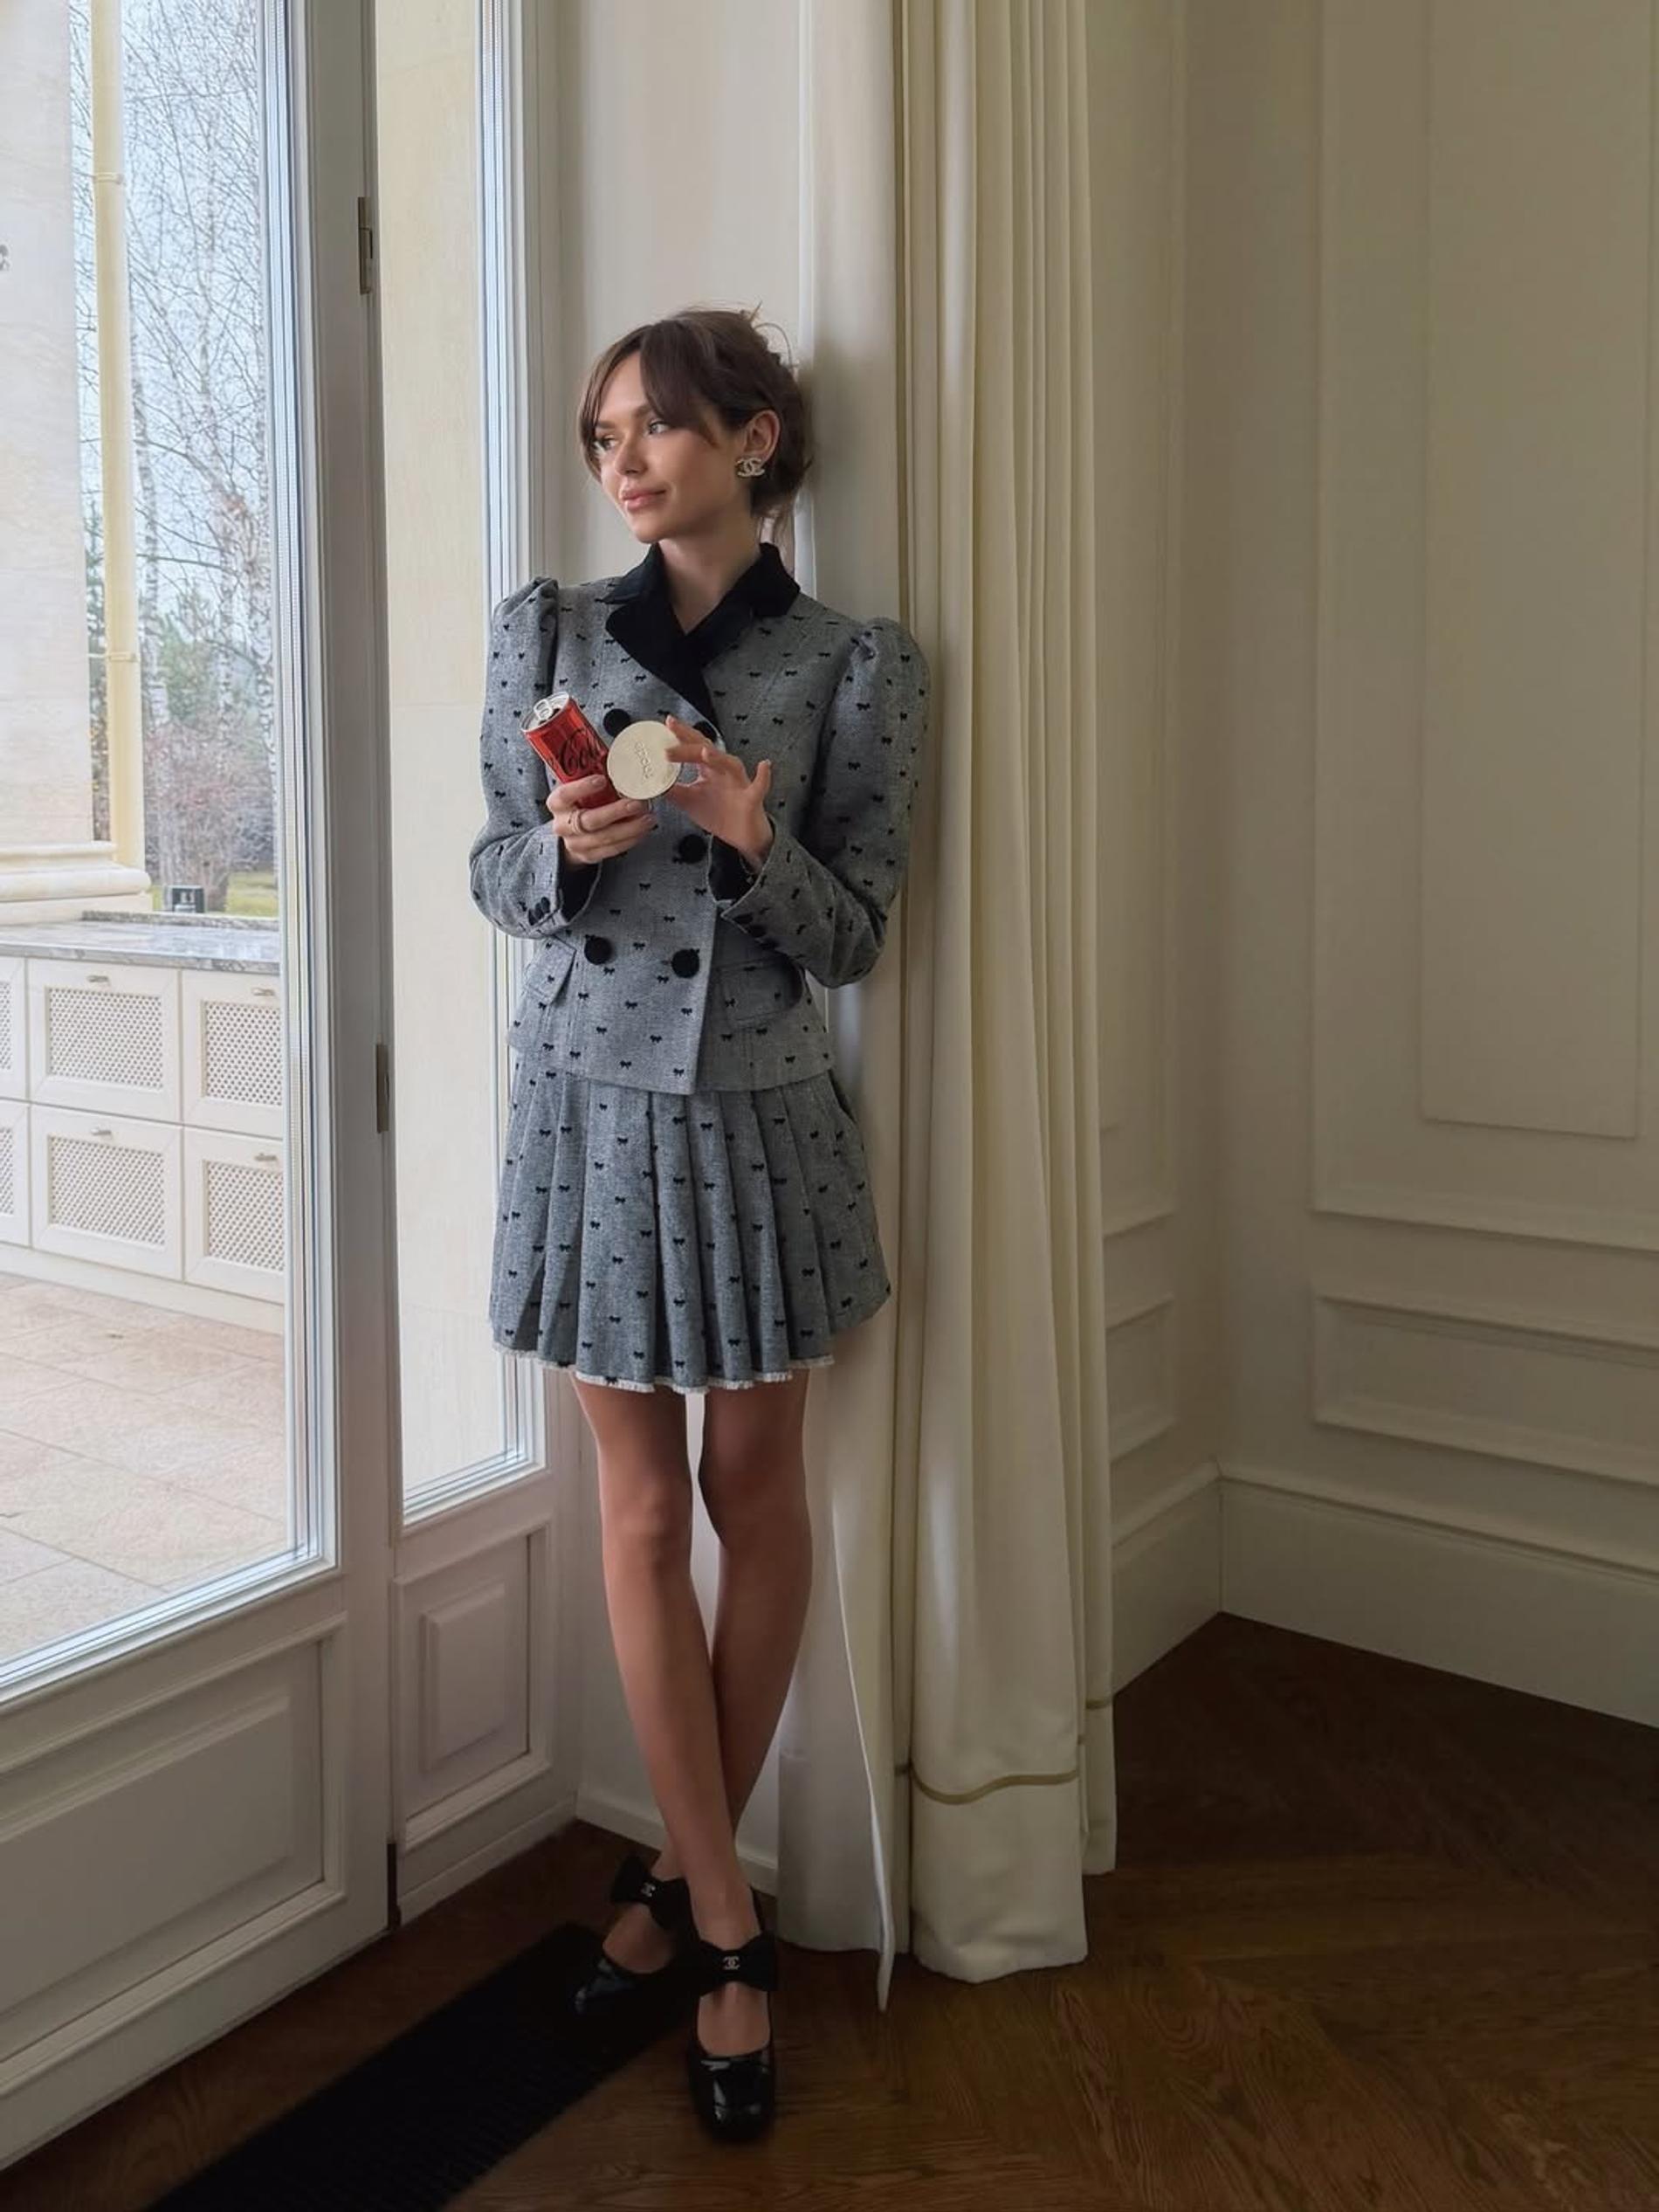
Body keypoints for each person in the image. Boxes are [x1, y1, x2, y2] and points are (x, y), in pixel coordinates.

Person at [467, 306, 929, 2142]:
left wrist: (751, 839)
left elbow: (858, 936)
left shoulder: (856, 664)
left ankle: (672, 1880)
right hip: (584, 1112)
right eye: (603, 439)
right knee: (641, 1511)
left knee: (755, 1497)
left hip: (755, 1113)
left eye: (656, 427)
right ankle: (729, 1925)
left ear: (752, 439)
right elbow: (493, 870)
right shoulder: (547, 634)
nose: (625, 463)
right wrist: (562, 849)